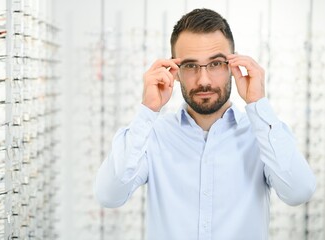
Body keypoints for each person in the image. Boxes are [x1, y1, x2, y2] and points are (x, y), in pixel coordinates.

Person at [94, 8, 316, 240]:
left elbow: (299, 191)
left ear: (232, 66)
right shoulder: (152, 134)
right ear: (175, 71)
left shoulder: (263, 133)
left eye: (216, 64)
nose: (204, 81)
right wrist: (148, 110)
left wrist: (257, 103)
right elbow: (109, 195)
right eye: (190, 66)